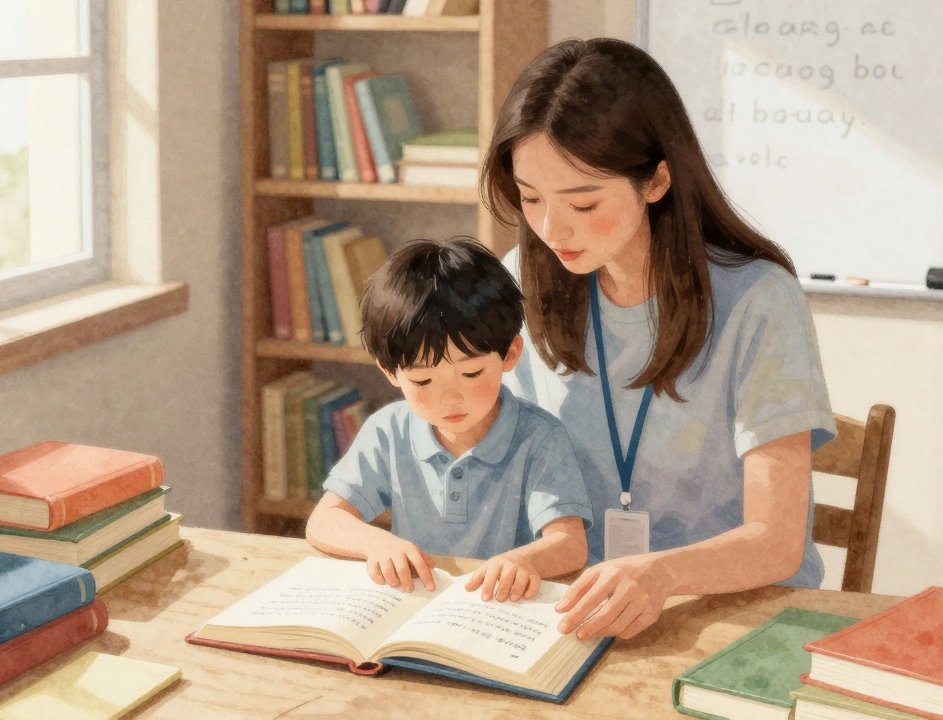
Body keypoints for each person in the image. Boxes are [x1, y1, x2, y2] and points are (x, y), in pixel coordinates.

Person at [479, 38, 838, 641]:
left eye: (583, 201)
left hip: (739, 618)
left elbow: (776, 542)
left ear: (656, 182)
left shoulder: (758, 301)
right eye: (531, 197)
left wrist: (663, 574)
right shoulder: (524, 279)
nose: (550, 228)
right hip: (578, 617)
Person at [305, 237, 593, 604]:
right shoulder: (388, 431)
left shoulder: (540, 438)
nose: (450, 399)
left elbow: (570, 545)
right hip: (417, 606)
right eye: (423, 380)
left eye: (471, 373)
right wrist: (375, 541)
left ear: (510, 354)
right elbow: (324, 520)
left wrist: (523, 561)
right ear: (391, 372)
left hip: (502, 610)